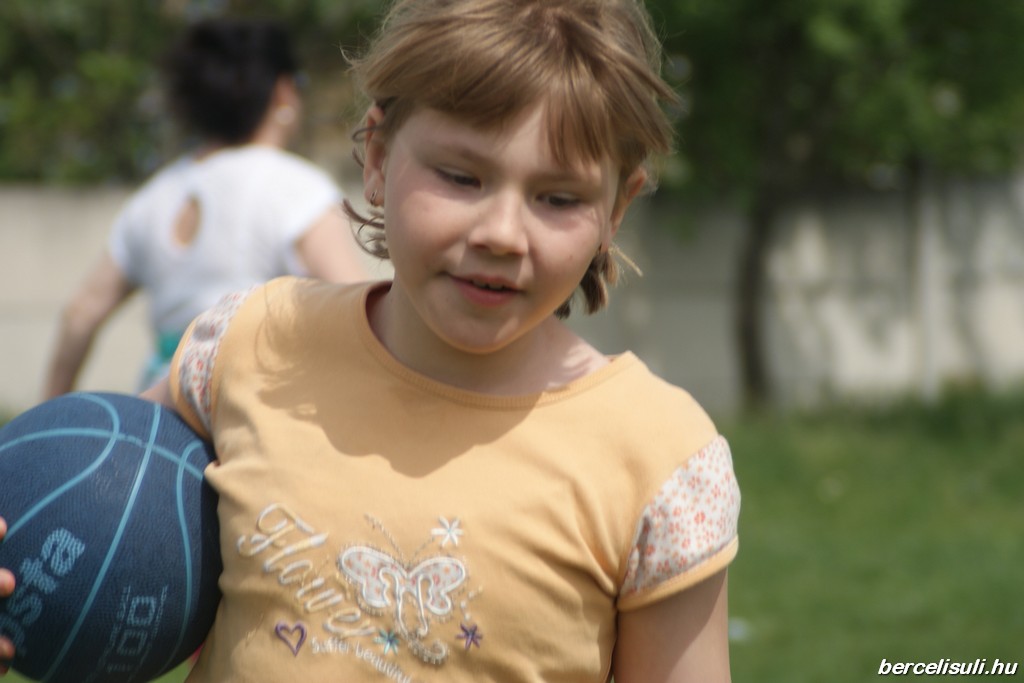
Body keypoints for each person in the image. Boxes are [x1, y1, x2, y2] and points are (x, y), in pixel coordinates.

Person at [4, 1, 741, 680]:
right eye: (461, 177)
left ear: (617, 207)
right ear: (379, 157)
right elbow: (97, 499)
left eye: (558, 198)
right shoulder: (255, 342)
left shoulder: (659, 461)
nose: (501, 234)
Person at [41, 17, 369, 398]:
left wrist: (48, 412)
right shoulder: (299, 188)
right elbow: (358, 311)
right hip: (253, 405)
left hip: (161, 403)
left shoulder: (154, 195)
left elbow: (80, 314)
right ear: (283, 92)